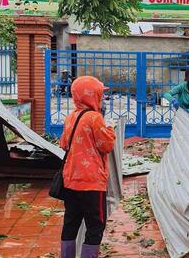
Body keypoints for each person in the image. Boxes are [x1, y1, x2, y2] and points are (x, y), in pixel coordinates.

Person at [60, 76, 115, 258]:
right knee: (95, 226)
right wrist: (110, 129)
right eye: (100, 95)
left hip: (71, 180)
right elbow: (107, 146)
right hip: (91, 183)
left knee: (70, 223)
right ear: (92, 96)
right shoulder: (95, 118)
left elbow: (63, 144)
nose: (102, 99)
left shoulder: (70, 117)